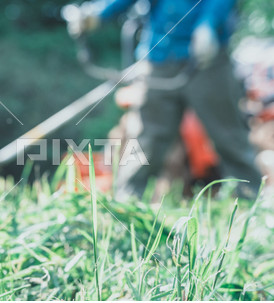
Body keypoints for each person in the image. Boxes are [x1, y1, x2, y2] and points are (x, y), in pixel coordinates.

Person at [66, 0, 262, 199]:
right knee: (146, 139)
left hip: (206, 60)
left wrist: (208, 24)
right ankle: (127, 202)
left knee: (228, 136)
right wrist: (98, 14)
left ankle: (251, 198)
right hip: (158, 57)